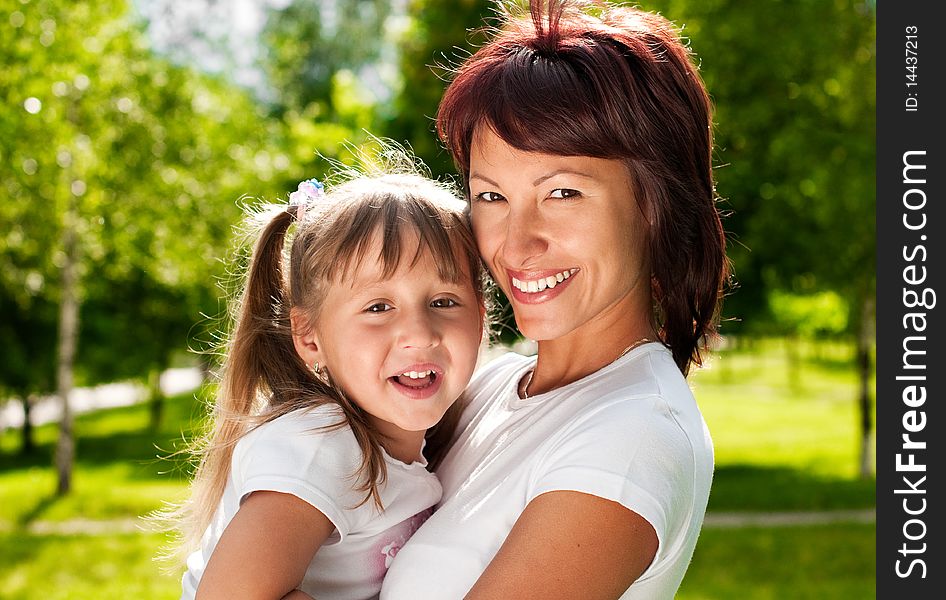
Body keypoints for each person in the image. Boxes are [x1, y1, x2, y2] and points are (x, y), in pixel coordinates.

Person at [381, 1, 728, 599]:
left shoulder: (632, 436)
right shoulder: (488, 389)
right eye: (491, 196)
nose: (517, 243)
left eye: (562, 192)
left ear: (654, 204)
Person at [172, 151, 488, 600]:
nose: (419, 334)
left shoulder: (414, 444)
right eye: (378, 308)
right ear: (310, 337)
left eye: (443, 301)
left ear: (482, 316)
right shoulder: (317, 443)